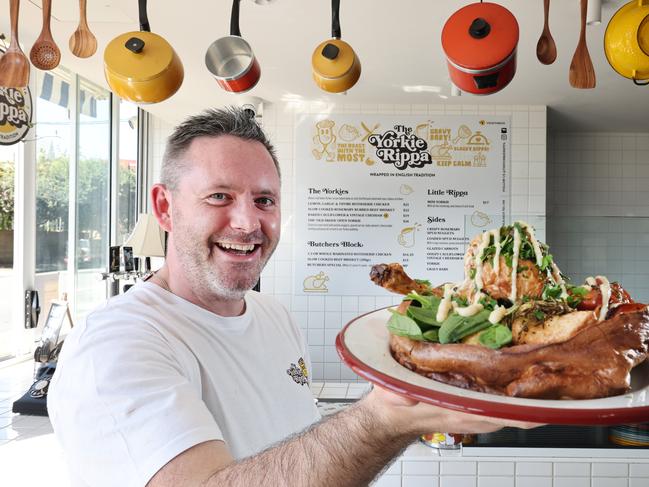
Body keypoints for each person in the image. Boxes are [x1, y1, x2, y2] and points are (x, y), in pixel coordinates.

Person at [48, 107, 536, 487]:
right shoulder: (117, 345)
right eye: (219, 196)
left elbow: (297, 456)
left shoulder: (273, 315)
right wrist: (381, 418)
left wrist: (405, 416)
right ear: (165, 207)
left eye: (265, 200)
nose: (247, 222)